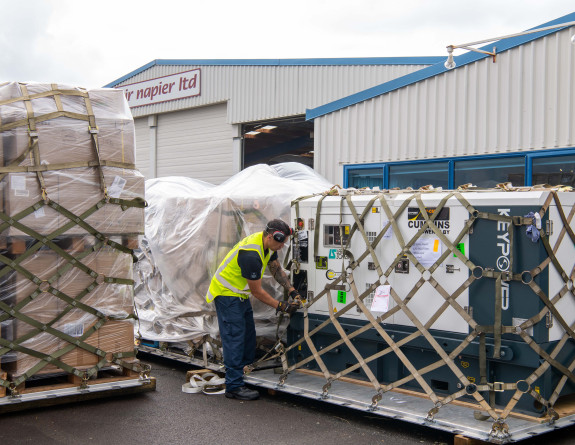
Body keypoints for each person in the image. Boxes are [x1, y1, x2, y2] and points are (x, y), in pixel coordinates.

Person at [206, 218, 301, 401]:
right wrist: (281, 306)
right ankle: (233, 387)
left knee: (248, 334)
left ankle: (243, 372)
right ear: (272, 236)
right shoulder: (251, 254)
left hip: (238, 294)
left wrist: (291, 290)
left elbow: (276, 269)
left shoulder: (266, 245)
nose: (282, 247)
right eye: (281, 243)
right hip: (226, 294)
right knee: (235, 336)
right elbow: (257, 291)